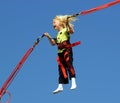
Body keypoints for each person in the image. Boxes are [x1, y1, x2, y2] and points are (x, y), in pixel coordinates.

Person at [44, 15, 79, 94]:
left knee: (69, 64)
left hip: (67, 50)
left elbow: (72, 31)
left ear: (60, 23)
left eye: (54, 22)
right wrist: (48, 36)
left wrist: (67, 23)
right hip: (60, 53)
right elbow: (53, 43)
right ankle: (60, 86)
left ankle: (73, 82)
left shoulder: (65, 29)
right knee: (61, 68)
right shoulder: (58, 34)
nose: (53, 24)